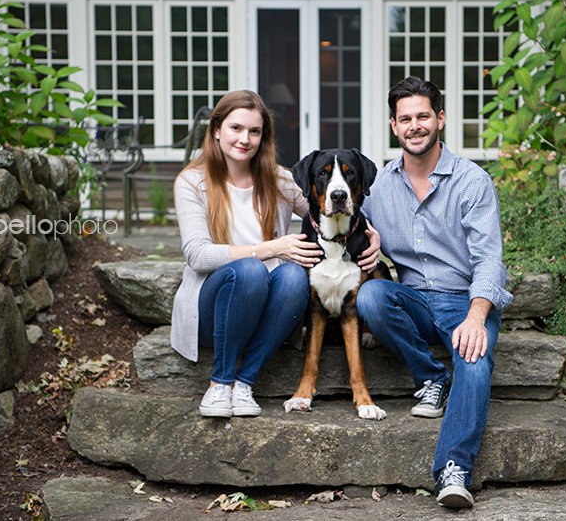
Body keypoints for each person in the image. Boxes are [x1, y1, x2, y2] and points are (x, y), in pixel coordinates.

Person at [356, 77, 513, 509]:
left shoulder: (472, 181)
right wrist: (365, 241)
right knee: (370, 298)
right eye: (405, 118)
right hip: (412, 300)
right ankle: (431, 376)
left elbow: (489, 261)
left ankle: (453, 468)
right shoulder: (379, 186)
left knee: (475, 362)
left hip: (464, 300)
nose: (415, 126)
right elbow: (350, 227)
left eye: (423, 116)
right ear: (393, 126)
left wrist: (478, 316)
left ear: (440, 119)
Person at [169, 90, 325, 419]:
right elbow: (197, 255)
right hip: (214, 309)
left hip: (270, 310)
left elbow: (326, 210)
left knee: (295, 274)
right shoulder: (192, 182)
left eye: (255, 132)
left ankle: (244, 383)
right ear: (216, 130)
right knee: (251, 269)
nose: (245, 139)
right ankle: (219, 383)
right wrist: (269, 248)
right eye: (236, 128)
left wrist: (372, 234)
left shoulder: (280, 180)